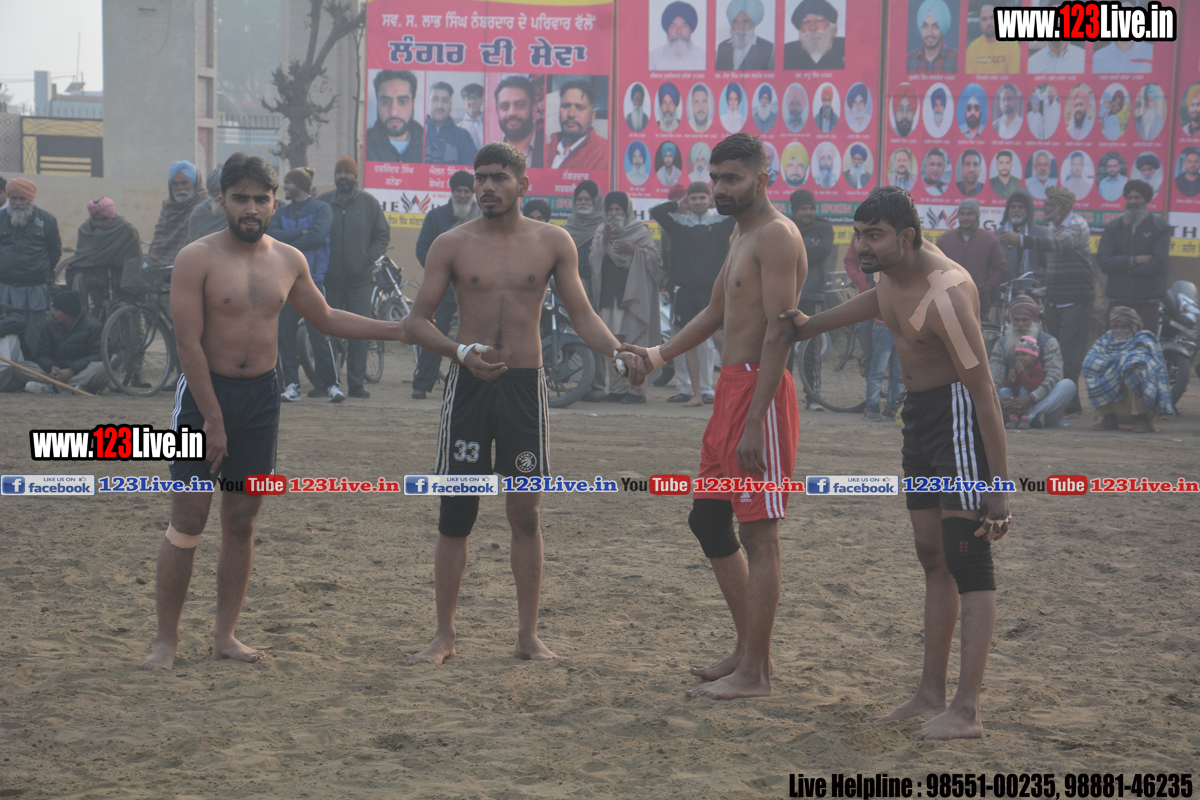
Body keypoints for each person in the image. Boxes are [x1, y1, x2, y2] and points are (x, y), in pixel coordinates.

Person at [142, 153, 408, 670]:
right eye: (240, 198)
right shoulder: (196, 258)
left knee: (241, 519)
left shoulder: (289, 259)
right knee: (189, 517)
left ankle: (225, 636)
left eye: (260, 199)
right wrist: (212, 419)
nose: (250, 207)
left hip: (262, 399)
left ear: (274, 203)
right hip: (203, 398)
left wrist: (397, 329)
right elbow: (188, 343)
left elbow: (326, 317)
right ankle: (166, 640)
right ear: (223, 200)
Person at [405, 142, 648, 665]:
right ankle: (444, 635)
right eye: (481, 178)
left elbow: (582, 313)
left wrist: (616, 351)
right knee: (456, 513)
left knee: (526, 514)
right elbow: (417, 321)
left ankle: (527, 636)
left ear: (523, 184)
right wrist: (460, 352)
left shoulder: (552, 242)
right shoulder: (451, 243)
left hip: (524, 389)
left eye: (499, 177)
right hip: (468, 388)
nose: (487, 187)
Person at [784, 186, 1010, 740]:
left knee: (967, 558)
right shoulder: (890, 272)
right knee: (932, 555)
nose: (862, 246)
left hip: (958, 417)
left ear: (907, 237)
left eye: (874, 236)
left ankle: (967, 710)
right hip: (919, 417)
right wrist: (809, 324)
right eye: (859, 234)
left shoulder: (945, 293)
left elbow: (984, 392)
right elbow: (878, 302)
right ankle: (930, 694)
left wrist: (999, 489)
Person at [621, 133, 806, 700]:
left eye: (732, 178)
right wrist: (656, 356)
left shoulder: (777, 235)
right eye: (716, 177)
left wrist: (755, 420)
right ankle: (747, 650)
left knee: (759, 534)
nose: (721, 188)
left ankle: (757, 673)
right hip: (729, 391)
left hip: (759, 396)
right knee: (707, 519)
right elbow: (715, 312)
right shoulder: (741, 232)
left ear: (762, 178)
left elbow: (780, 332)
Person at [998, 186, 1092, 416]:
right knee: (1055, 352)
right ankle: (1058, 401)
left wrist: (1020, 239)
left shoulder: (1077, 225)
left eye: (1049, 204)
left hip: (1076, 300)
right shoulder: (1052, 227)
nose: (1044, 207)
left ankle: (1070, 403)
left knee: (1070, 353)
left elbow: (1057, 245)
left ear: (1062, 208)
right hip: (1054, 300)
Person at [652, 182, 736, 407]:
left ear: (710, 200)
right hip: (685, 291)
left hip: (714, 291)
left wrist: (721, 200)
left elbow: (741, 207)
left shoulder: (722, 222)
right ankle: (696, 394)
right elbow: (656, 212)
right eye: (693, 198)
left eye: (702, 198)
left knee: (720, 341)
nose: (698, 202)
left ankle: (728, 392)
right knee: (689, 343)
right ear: (687, 201)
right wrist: (677, 204)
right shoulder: (678, 224)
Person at [316, 157, 392, 399]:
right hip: (330, 282)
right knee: (326, 333)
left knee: (359, 332)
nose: (343, 176)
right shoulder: (323, 203)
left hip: (360, 281)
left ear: (356, 176)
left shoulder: (369, 204)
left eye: (347, 172)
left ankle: (356, 384)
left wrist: (366, 259)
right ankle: (326, 382)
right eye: (339, 172)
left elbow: (382, 235)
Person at [267, 167, 342, 404]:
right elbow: (271, 236)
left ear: (300, 184)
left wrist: (288, 243)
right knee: (285, 336)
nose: (284, 187)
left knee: (320, 335)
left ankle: (332, 385)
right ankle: (292, 386)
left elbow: (318, 236)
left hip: (313, 282)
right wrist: (301, 232)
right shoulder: (281, 211)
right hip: (284, 282)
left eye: (288, 182)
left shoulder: (322, 208)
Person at [589, 191, 662, 404]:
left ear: (626, 211)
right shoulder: (602, 231)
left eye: (618, 209)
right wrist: (604, 244)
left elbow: (655, 262)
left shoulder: (639, 230)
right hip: (609, 297)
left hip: (632, 298)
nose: (614, 213)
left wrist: (634, 250)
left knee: (634, 342)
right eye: (610, 209)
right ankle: (617, 389)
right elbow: (593, 260)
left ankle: (636, 391)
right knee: (613, 344)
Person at [412, 170, 480, 400]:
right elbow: (423, 249)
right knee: (433, 336)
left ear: (473, 193)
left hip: (474, 291)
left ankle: (468, 385)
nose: (462, 195)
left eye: (467, 191)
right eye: (458, 191)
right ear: (452, 192)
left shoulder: (482, 219)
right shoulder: (436, 217)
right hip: (443, 291)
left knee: (472, 339)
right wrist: (440, 274)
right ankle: (422, 384)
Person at [990, 296, 1075, 429]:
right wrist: (998, 400)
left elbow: (1055, 375)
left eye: (1025, 320)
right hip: (1010, 401)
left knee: (1068, 386)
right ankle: (1027, 418)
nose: (1020, 325)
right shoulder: (1001, 344)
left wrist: (1031, 398)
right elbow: (994, 378)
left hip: (1040, 400)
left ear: (1035, 320)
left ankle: (1030, 415)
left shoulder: (1048, 342)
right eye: (1016, 320)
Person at [1096, 180, 1169, 335]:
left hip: (1147, 304)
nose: (1132, 201)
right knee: (1114, 346)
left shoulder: (1160, 227)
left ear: (1145, 200)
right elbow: (1103, 262)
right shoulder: (1113, 227)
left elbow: (1159, 265)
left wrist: (1125, 270)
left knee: (1144, 347)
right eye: (1129, 198)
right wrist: (1134, 260)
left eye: (1137, 197)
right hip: (1118, 303)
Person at [1085, 306, 1173, 433]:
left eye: (1124, 327)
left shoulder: (1144, 338)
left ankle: (1141, 417)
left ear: (1133, 327)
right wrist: (1116, 364)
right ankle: (1109, 417)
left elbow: (1141, 358)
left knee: (1133, 367)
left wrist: (1118, 363)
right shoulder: (1107, 338)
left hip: (1145, 403)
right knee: (1090, 366)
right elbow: (1092, 357)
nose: (1119, 331)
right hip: (1116, 405)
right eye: (1116, 327)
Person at [0, 177, 61, 357]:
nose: (18, 203)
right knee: (5, 333)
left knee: (33, 333)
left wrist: (40, 270)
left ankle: (30, 368)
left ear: (31, 199)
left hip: (34, 288)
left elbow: (54, 251)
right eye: (14, 198)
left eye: (23, 199)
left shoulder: (47, 220)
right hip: (4, 286)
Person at [17, 290, 108, 395]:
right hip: (55, 373)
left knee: (102, 368)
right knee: (19, 367)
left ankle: (53, 388)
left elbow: (100, 355)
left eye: (56, 310)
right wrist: (51, 367)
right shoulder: (49, 325)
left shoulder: (94, 326)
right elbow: (42, 354)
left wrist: (72, 370)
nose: (51, 312)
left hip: (80, 371)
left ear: (69, 313)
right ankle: (73, 388)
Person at [791, 190, 833, 412]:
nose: (808, 213)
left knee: (812, 350)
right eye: (803, 209)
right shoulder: (785, 226)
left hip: (813, 295)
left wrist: (794, 250)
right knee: (782, 348)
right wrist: (809, 248)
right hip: (787, 296)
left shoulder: (823, 227)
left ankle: (813, 397)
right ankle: (781, 396)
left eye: (811, 208)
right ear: (794, 210)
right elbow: (778, 253)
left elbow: (823, 251)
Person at [61, 197, 142, 312]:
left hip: (118, 276)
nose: (99, 224)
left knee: (126, 300)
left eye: (104, 219)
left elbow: (133, 262)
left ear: (112, 217)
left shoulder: (126, 230)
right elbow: (81, 259)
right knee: (78, 278)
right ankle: (79, 316)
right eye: (95, 219)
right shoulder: (85, 230)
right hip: (93, 273)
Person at [937, 199, 1007, 312]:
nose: (965, 217)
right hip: (950, 304)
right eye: (962, 214)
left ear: (977, 216)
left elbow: (1001, 269)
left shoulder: (989, 240)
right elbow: (934, 268)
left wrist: (985, 289)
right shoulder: (945, 240)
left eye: (969, 214)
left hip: (979, 304)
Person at [146, 160, 208, 268]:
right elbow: (158, 240)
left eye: (184, 183)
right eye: (175, 184)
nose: (180, 187)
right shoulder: (168, 206)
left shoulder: (204, 205)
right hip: (159, 268)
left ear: (194, 184)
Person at [545, 80, 607, 171]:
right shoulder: (547, 149)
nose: (571, 114)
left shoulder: (605, 153)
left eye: (579, 107)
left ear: (592, 115)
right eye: (566, 106)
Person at [366, 70, 423, 164]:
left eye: (403, 101)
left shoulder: (431, 145)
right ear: (377, 103)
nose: (393, 113)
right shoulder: (364, 145)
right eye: (385, 102)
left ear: (413, 103)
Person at [998, 189, 1046, 293]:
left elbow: (1048, 265)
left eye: (1021, 207)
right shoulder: (999, 234)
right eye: (1013, 207)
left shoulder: (1041, 233)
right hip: (1003, 293)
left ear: (1029, 210)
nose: (1016, 210)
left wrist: (1037, 285)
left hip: (1031, 293)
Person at [425, 81, 477, 166]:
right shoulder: (415, 133)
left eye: (445, 101)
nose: (439, 106)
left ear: (451, 106)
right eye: (435, 99)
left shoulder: (463, 136)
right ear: (428, 103)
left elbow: (472, 169)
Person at [495, 76, 543, 168]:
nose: (511, 113)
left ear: (534, 110)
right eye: (504, 106)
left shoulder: (550, 150)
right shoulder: (490, 157)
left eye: (520, 105)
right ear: (497, 112)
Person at [999, 337, 1047, 428]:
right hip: (1017, 398)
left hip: (1028, 400)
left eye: (1024, 355)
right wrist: (1011, 380)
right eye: (1018, 355)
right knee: (1004, 390)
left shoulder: (1037, 368)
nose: (1020, 358)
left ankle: (1025, 417)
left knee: (1024, 389)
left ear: (1034, 357)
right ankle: (1013, 415)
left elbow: (1032, 386)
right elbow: (1009, 386)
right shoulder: (1015, 367)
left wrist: (1021, 372)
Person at [716, 0, 773, 71]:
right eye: (735, 21)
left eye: (745, 22)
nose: (740, 28)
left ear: (754, 23)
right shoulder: (723, 47)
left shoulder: (768, 48)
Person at [649, 1, 706, 72]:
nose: (679, 31)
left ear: (690, 30)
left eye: (684, 25)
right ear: (667, 30)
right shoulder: (653, 58)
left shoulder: (704, 57)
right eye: (673, 26)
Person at [965, 3, 1019, 73]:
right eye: (984, 19)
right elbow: (969, 78)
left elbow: (1015, 77)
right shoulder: (972, 49)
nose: (988, 23)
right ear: (979, 23)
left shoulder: (1012, 45)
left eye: (992, 17)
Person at [907, 0, 958, 74]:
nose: (929, 33)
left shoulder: (957, 59)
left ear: (943, 28)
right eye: (925, 26)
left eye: (935, 26)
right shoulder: (908, 59)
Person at [189, 166, 229, 242]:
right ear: (210, 192)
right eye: (216, 190)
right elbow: (194, 244)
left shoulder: (234, 213)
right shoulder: (199, 214)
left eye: (223, 190)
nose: (220, 195)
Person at [459, 83, 486, 150]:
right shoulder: (458, 128)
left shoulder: (491, 124)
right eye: (468, 98)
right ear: (464, 102)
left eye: (475, 98)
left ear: (482, 100)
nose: (472, 101)